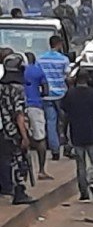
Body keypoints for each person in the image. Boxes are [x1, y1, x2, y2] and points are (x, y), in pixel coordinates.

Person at [61, 70, 93, 203]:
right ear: (88, 79)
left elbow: (65, 116)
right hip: (92, 133)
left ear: (76, 79)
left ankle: (84, 193)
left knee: (80, 164)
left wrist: (63, 133)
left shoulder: (69, 94)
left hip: (76, 133)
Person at [0, 54, 37, 204]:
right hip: (15, 131)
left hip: (3, 129)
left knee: (6, 160)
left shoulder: (2, 87)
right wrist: (25, 136)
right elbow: (19, 114)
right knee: (19, 161)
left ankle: (8, 188)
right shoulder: (18, 89)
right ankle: (19, 192)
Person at [38, 35, 70, 161]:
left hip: (47, 95)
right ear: (59, 44)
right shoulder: (64, 59)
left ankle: (55, 151)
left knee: (51, 122)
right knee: (65, 121)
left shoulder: (41, 59)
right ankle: (67, 145)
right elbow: (67, 75)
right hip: (61, 94)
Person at [23, 52, 52, 180]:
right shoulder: (38, 71)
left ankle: (21, 171)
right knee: (40, 139)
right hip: (35, 106)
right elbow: (46, 90)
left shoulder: (18, 71)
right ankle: (41, 170)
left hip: (18, 106)